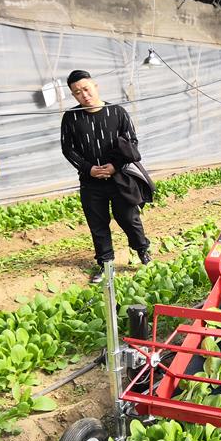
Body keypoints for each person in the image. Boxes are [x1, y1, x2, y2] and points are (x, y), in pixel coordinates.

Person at [61, 70, 151, 284]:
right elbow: (68, 148)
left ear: (95, 86)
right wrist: (88, 168)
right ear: (73, 95)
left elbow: (131, 142)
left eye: (86, 89)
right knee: (98, 224)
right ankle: (106, 265)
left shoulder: (117, 112)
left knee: (128, 217)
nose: (84, 95)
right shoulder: (71, 117)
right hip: (90, 182)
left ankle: (142, 251)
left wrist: (115, 166)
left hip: (119, 178)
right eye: (77, 92)